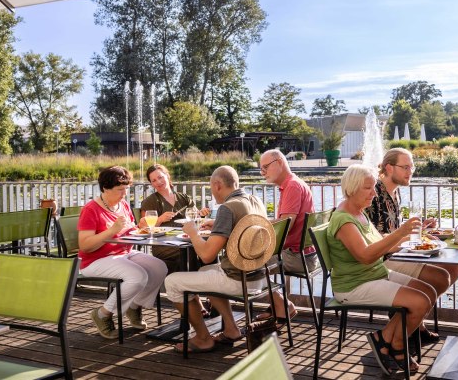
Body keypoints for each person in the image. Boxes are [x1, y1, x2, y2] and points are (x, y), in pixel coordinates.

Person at [328, 164, 435, 374]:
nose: (374, 193)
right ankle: (396, 345)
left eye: (374, 187)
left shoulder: (359, 213)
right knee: (420, 301)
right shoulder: (343, 220)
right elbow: (366, 256)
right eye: (368, 188)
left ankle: (384, 338)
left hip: (374, 275)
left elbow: (383, 244)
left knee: (428, 292)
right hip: (354, 285)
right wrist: (400, 232)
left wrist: (413, 235)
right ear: (352, 189)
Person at [164, 166, 270, 353]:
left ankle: (203, 338)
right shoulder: (254, 200)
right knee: (205, 271)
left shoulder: (227, 208)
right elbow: (243, 229)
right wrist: (217, 225)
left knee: (172, 282)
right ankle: (231, 329)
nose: (212, 192)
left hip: (238, 280)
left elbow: (206, 256)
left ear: (217, 185)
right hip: (258, 275)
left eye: (211, 187)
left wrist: (193, 232)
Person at [365, 147, 458, 345]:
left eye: (412, 167)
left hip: (398, 253)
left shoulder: (394, 192)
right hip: (381, 259)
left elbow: (395, 229)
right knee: (441, 277)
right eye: (406, 167)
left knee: (454, 267)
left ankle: (413, 323)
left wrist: (420, 228)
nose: (411, 172)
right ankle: (406, 327)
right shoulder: (374, 195)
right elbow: (373, 239)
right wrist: (411, 235)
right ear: (389, 168)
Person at [78, 166, 168, 340]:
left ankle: (134, 306)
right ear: (106, 188)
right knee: (138, 276)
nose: (124, 194)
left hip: (123, 252)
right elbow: (85, 245)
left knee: (159, 267)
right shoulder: (91, 209)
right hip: (95, 260)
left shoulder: (123, 205)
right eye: (120, 190)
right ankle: (102, 314)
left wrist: (140, 227)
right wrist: (112, 230)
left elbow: (128, 231)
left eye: (126, 189)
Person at [255, 149, 315, 323]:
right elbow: (283, 223)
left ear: (280, 162)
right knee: (251, 259)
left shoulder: (292, 186)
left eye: (265, 167)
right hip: (305, 255)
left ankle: (282, 305)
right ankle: (278, 305)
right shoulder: (293, 184)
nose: (262, 172)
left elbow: (284, 226)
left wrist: (253, 226)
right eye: (261, 168)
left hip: (297, 257)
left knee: (246, 263)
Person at [140, 164, 197, 274]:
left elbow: (195, 216)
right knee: (192, 249)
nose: (158, 182)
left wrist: (201, 214)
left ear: (167, 176)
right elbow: (143, 228)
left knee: (207, 246)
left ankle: (205, 279)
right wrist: (160, 219)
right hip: (163, 244)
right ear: (151, 184)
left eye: (160, 177)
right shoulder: (151, 201)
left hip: (185, 239)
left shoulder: (183, 198)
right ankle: (192, 282)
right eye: (154, 180)